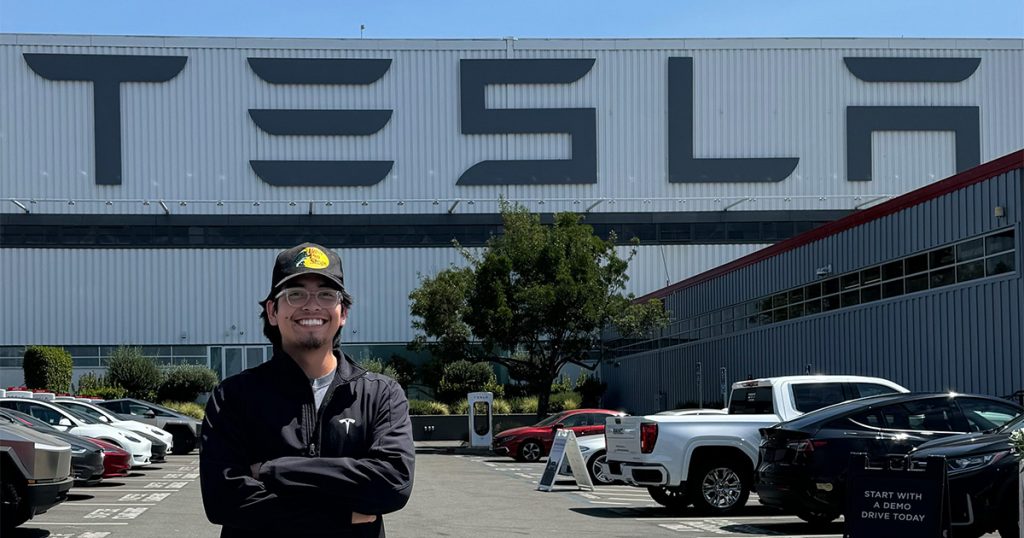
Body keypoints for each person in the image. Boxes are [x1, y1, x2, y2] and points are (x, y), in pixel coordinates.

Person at [200, 242, 414, 537]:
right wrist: (342, 516)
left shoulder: (380, 395)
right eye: (296, 294)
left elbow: (392, 484)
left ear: (343, 312)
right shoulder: (233, 397)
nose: (312, 305)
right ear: (273, 311)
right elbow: (223, 500)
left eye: (326, 294)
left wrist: (274, 471)